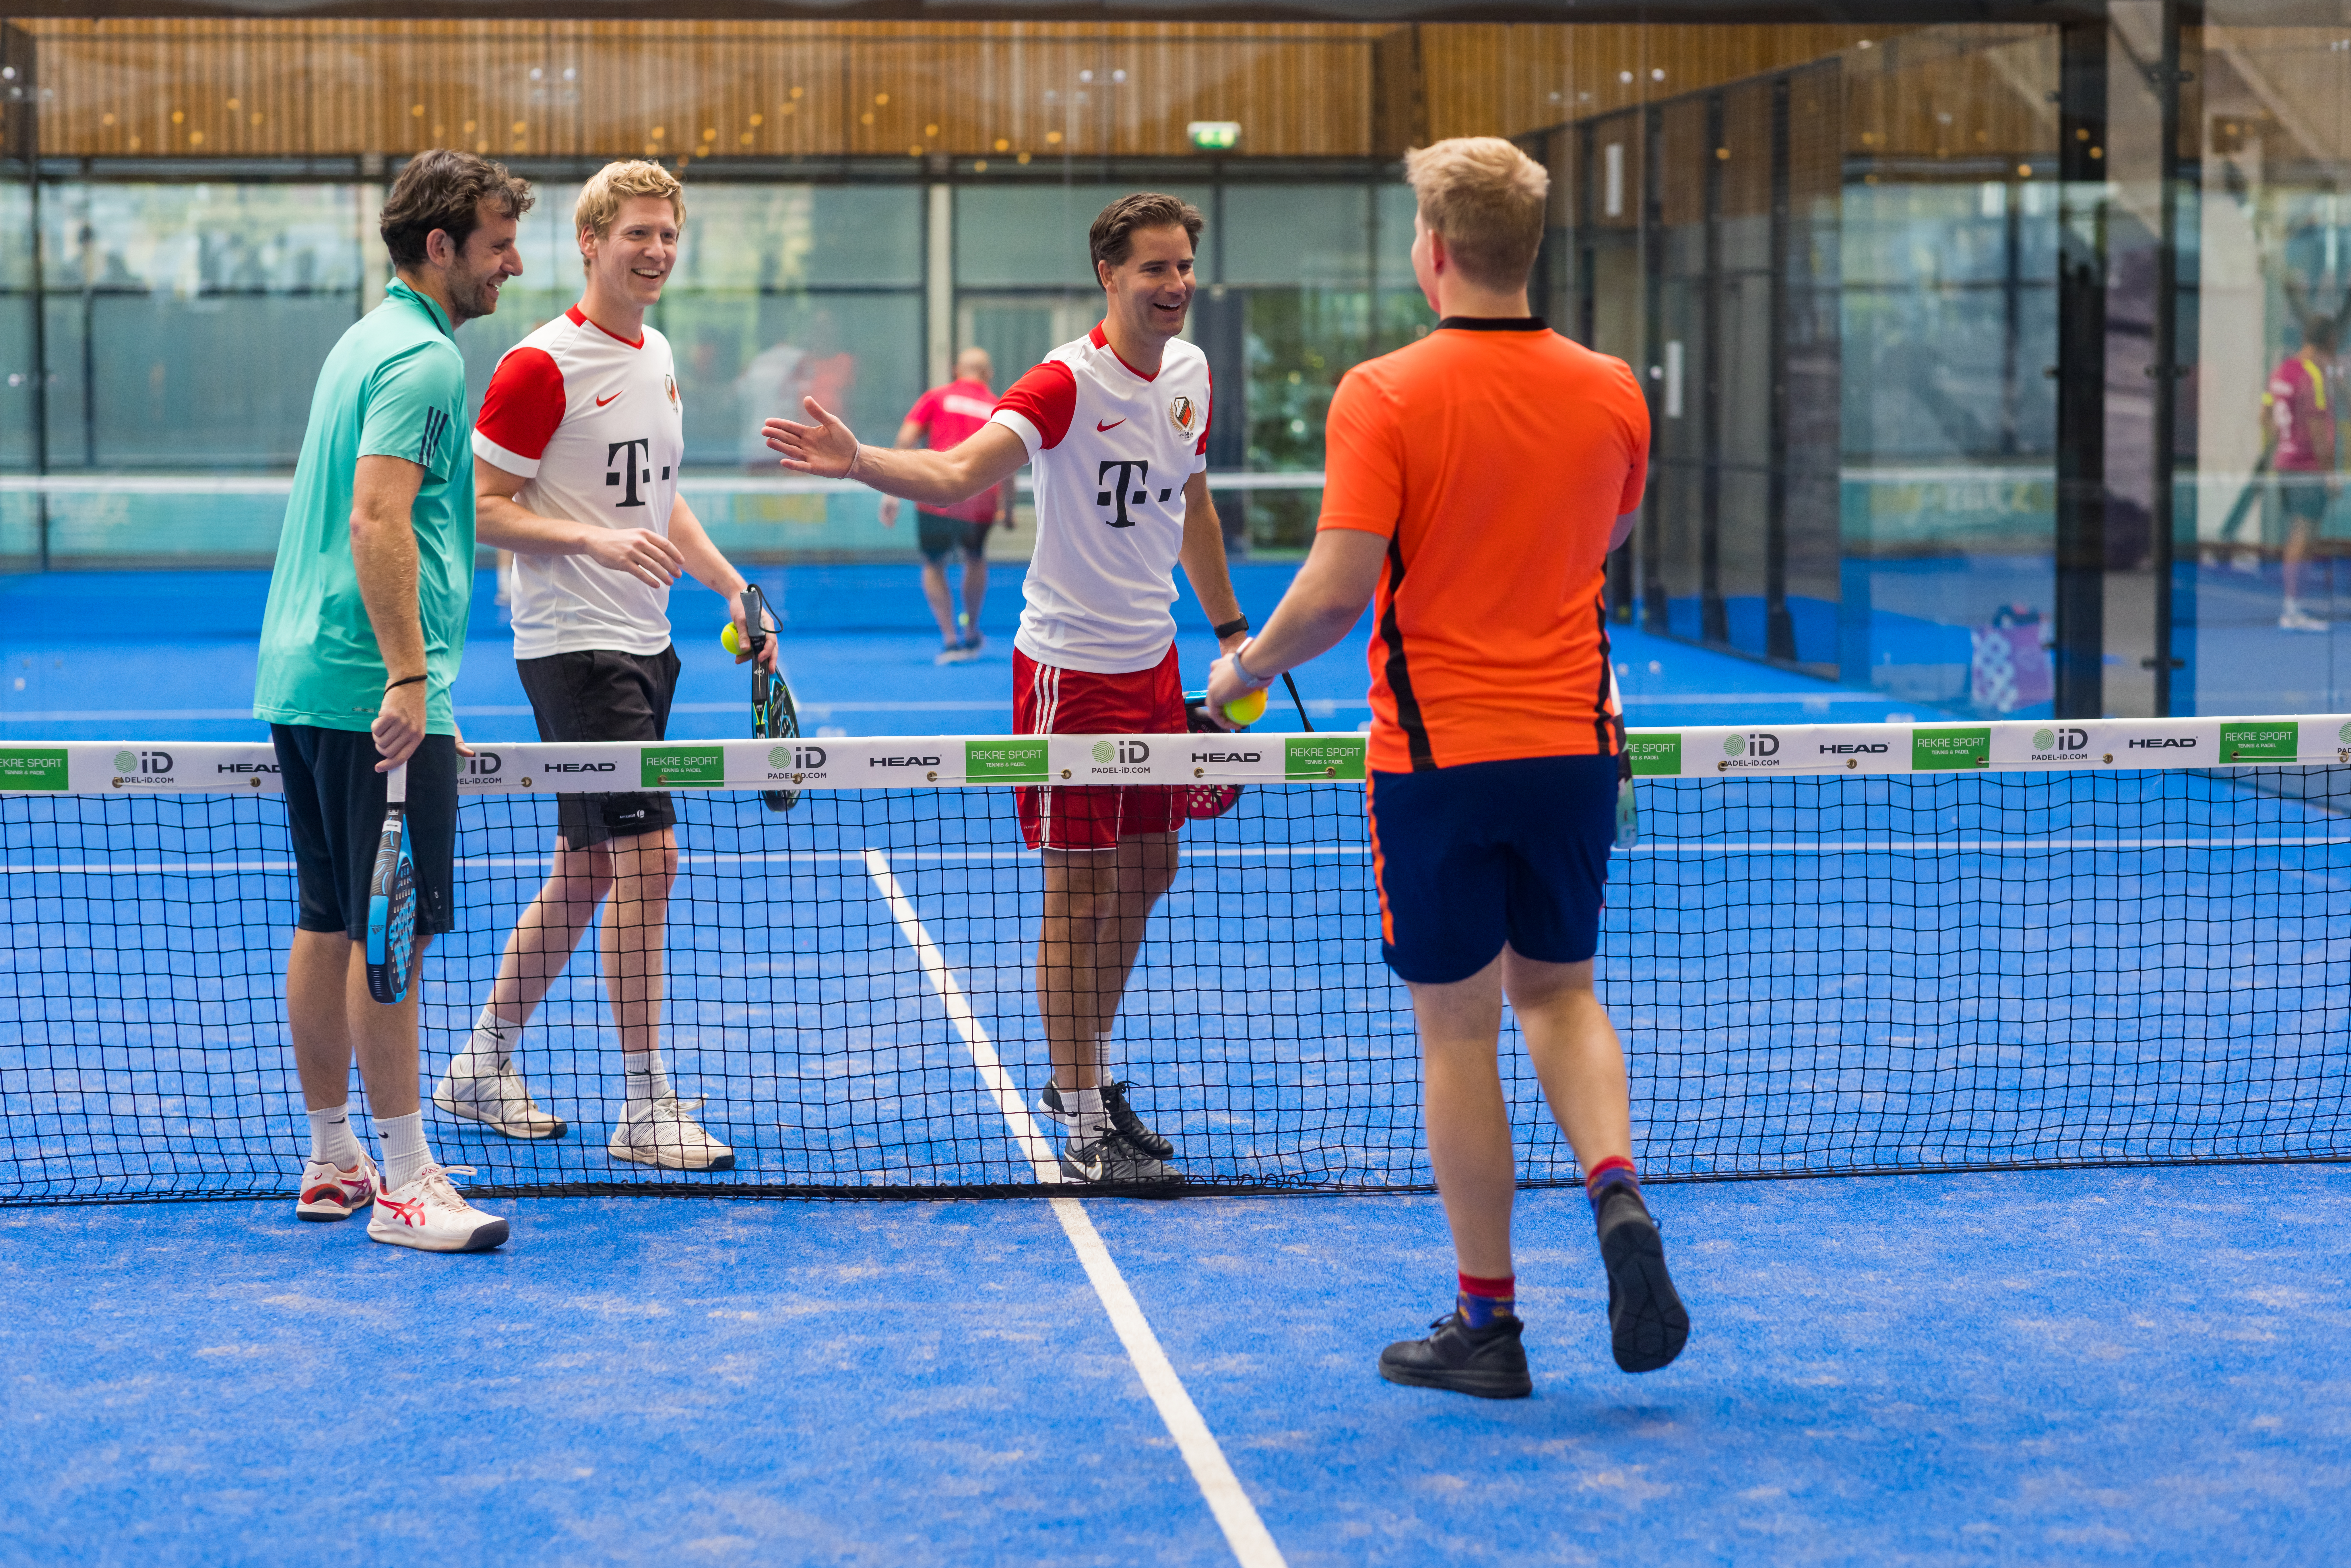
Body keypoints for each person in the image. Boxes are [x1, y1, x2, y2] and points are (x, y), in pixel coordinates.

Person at [1204, 137, 1690, 1395]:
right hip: (1578, 749)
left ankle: (1488, 1327)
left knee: (1459, 1033)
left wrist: (1244, 668)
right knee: (1563, 994)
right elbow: (1607, 535)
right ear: (1532, 251)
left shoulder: (1385, 393)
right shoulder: (1615, 389)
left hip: (1435, 759)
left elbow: (1337, 590)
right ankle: (1618, 1192)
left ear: (1431, 252)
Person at [765, 193, 1250, 1188]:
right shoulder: (1063, 384)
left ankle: (1086, 1074)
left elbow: (1191, 497)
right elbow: (953, 475)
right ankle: (1080, 1115)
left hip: (1155, 662)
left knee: (1152, 870)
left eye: (1183, 267)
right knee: (1078, 894)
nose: (1175, 285)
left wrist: (1233, 629)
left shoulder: (1192, 374)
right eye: (1154, 268)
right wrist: (857, 459)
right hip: (1069, 675)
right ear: (1109, 275)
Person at [435, 159, 774, 1173]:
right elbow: (480, 507)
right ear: (590, 243)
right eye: (637, 234)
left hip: (645, 638)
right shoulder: (542, 366)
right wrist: (594, 544)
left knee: (586, 870)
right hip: (574, 645)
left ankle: (481, 1063)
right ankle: (643, 1103)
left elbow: (657, 498)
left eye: (669, 234)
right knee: (650, 860)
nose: (657, 251)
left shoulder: (656, 351)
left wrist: (729, 586)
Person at [252, 149, 531, 1253]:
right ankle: (408, 1181)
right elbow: (378, 520)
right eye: (497, 243)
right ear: (440, 247)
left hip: (306, 678)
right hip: (377, 693)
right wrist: (411, 676)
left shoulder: (361, 340)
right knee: (392, 933)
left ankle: (334, 1156)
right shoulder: (424, 362)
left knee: (330, 916)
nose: (510, 264)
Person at [880, 348, 1015, 663]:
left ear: (956, 370)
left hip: (934, 495)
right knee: (975, 558)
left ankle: (950, 638)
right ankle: (972, 632)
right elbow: (1008, 461)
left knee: (934, 565)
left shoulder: (936, 398)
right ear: (989, 374)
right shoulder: (999, 407)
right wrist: (1007, 509)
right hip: (980, 500)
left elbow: (906, 439)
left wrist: (891, 493)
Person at [2265, 317, 2338, 633]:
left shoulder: (2282, 370)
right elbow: (2316, 425)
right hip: (2306, 466)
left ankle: (2293, 603)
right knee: (2303, 534)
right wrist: (2329, 473)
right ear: (2330, 340)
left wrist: (2281, 445)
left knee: (2300, 534)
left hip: (2286, 462)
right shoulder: (2313, 376)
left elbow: (2265, 413)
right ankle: (2291, 608)